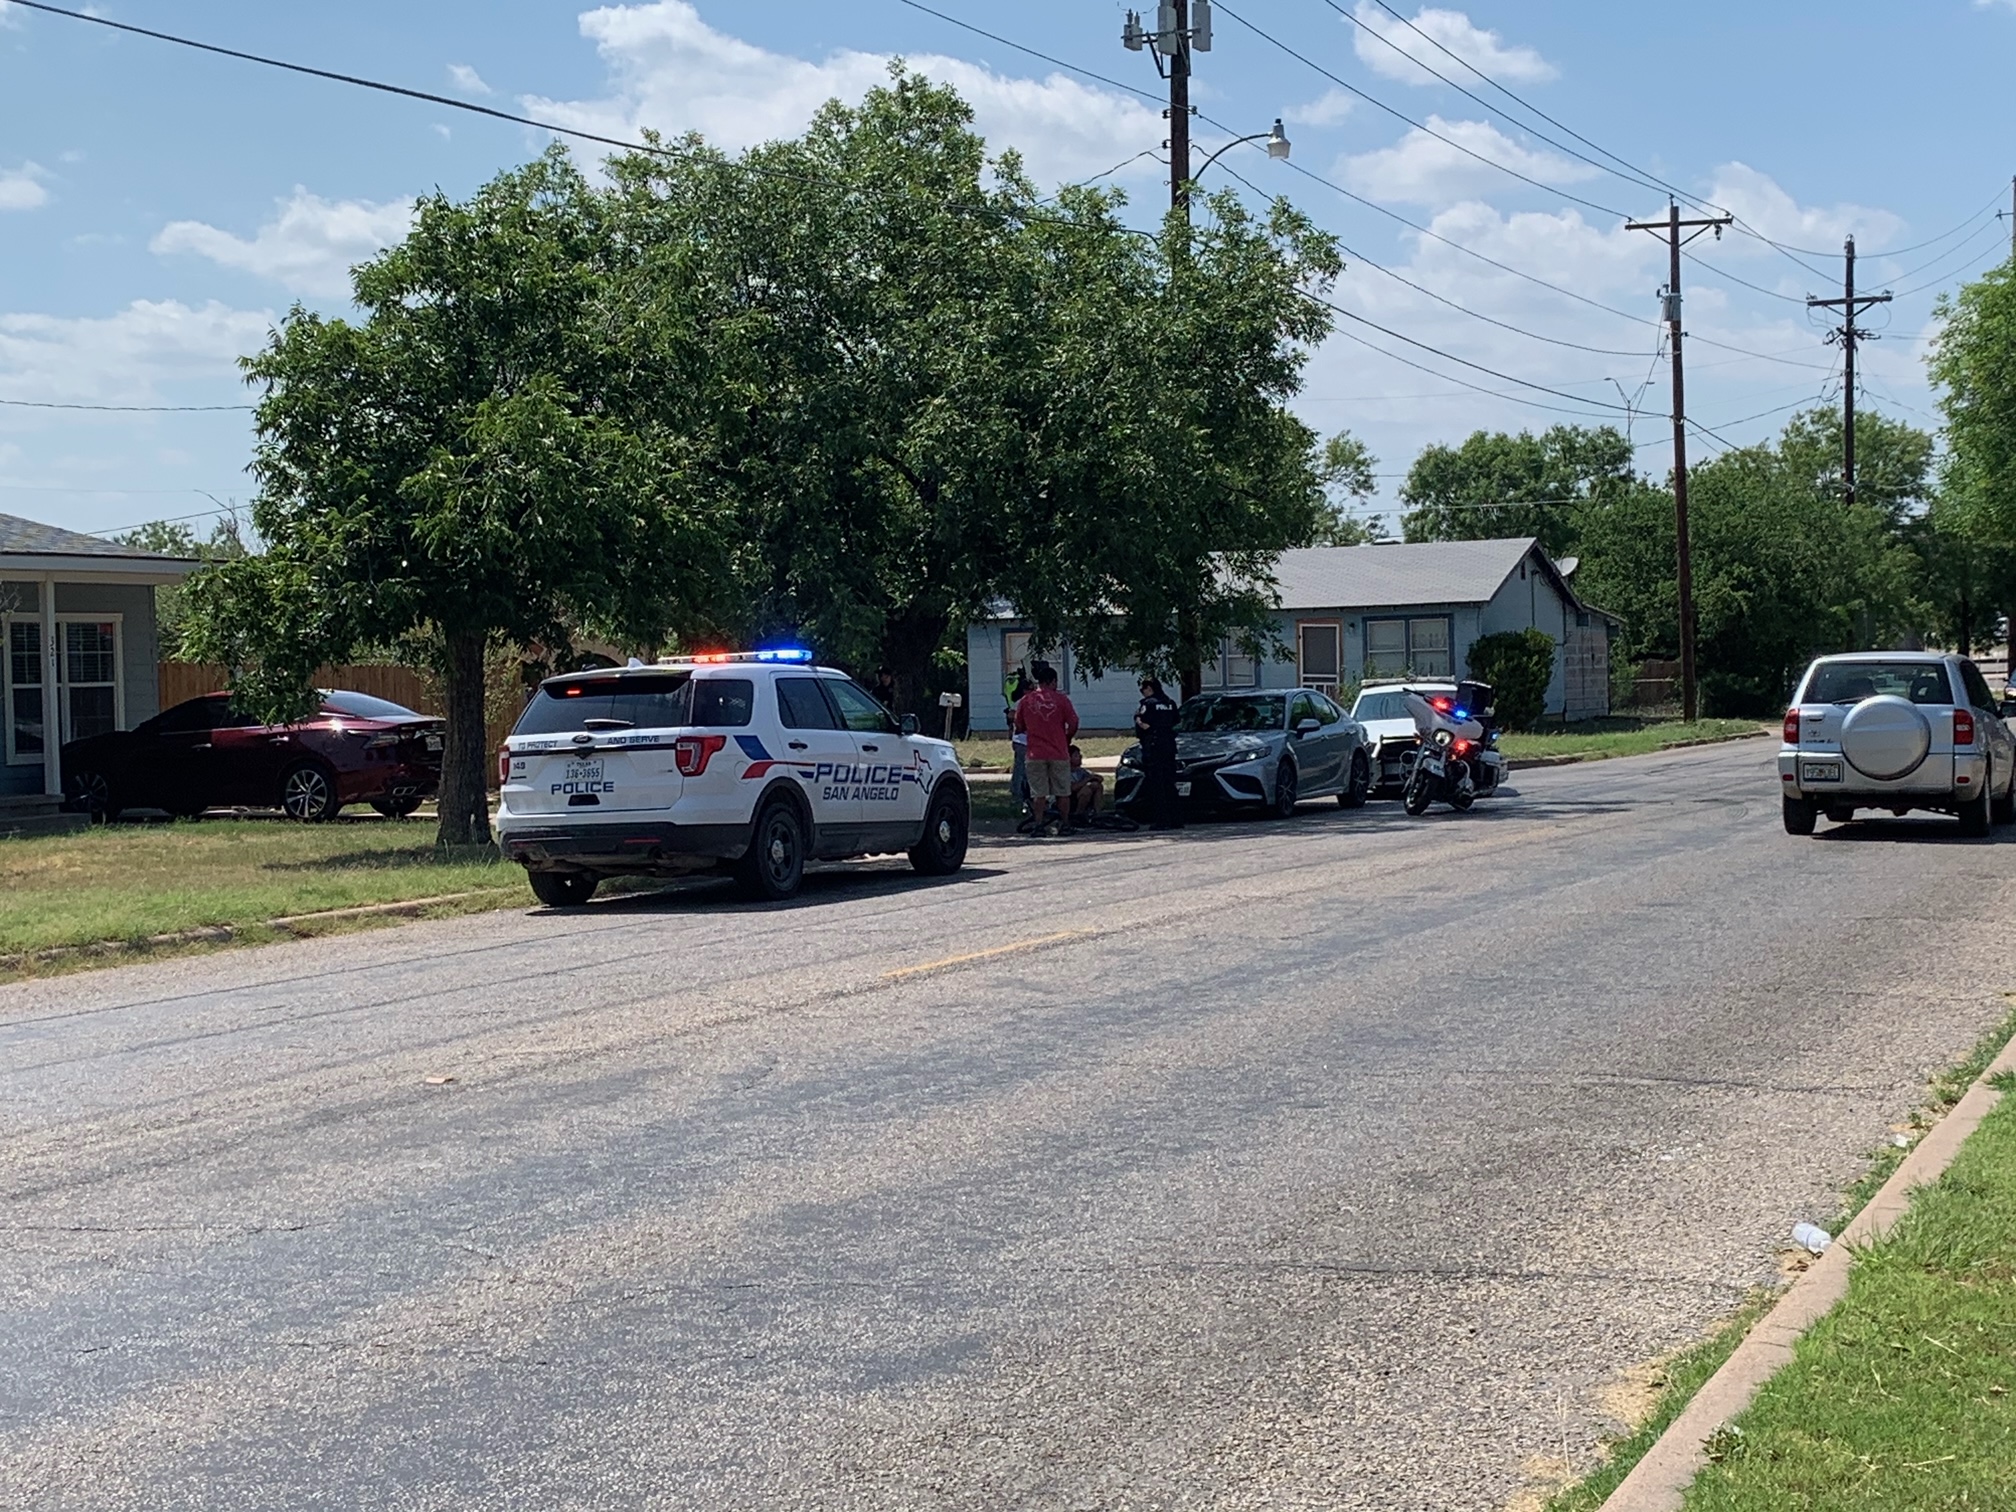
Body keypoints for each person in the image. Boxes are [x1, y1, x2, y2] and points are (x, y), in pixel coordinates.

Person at [1014, 661, 1080, 833]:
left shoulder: (1026, 701)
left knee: (1038, 793)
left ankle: (1038, 825)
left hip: (1035, 753)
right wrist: (1067, 738)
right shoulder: (1062, 700)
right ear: (1053, 681)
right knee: (1062, 791)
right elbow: (1073, 722)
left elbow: (1018, 725)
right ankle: (1064, 824)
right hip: (1058, 751)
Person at [1134, 676, 1182, 831]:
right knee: (1170, 783)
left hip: (1154, 747)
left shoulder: (1148, 704)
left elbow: (1144, 725)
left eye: (1143, 689)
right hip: (1169, 745)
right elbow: (1176, 721)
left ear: (1149, 688)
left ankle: (1162, 820)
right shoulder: (1170, 703)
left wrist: (1138, 720)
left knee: (1157, 784)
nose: (1142, 692)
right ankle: (1176, 819)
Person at [1003, 668, 1032, 819]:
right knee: (1020, 768)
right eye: (1030, 689)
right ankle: (1017, 794)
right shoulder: (1020, 702)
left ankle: (1027, 794)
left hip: (1030, 741)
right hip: (1021, 741)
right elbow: (1012, 715)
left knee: (1029, 769)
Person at [1068, 744, 1104, 822]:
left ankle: (1098, 813)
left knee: (1097, 786)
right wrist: (1087, 780)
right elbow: (1073, 788)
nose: (1080, 757)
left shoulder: (1081, 771)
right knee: (1086, 790)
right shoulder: (1065, 772)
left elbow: (1100, 778)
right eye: (1076, 756)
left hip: (1080, 795)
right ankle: (1078, 814)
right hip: (1069, 799)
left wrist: (1094, 780)